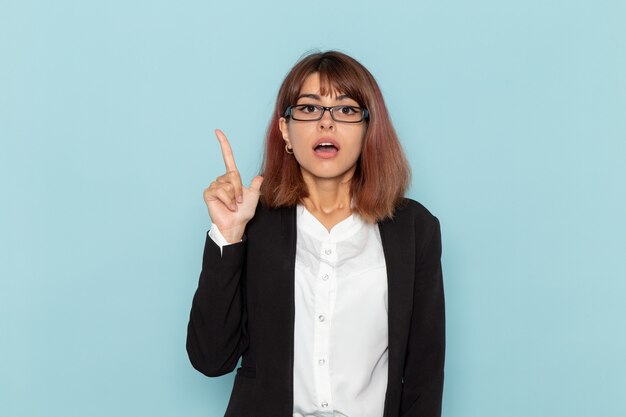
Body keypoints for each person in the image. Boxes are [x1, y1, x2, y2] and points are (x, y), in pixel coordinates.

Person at [186, 50, 445, 417]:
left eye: (346, 109)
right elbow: (210, 358)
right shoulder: (253, 225)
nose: (326, 123)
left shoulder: (414, 229)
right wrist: (229, 236)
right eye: (309, 109)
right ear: (285, 130)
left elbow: (424, 375)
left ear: (368, 129)